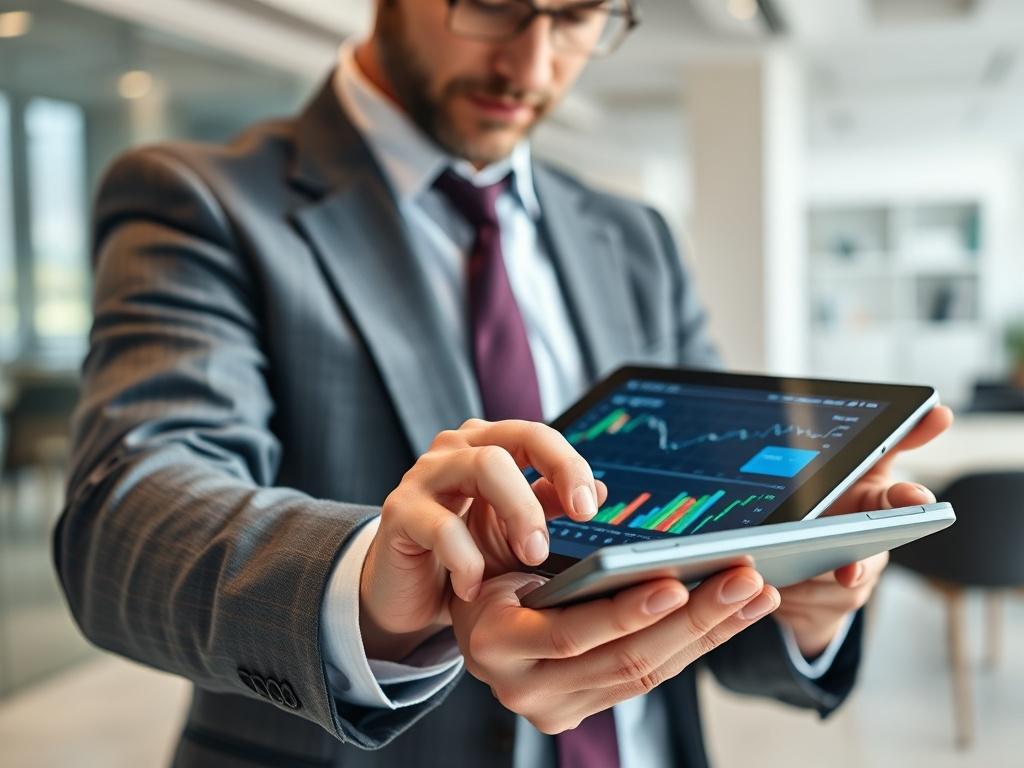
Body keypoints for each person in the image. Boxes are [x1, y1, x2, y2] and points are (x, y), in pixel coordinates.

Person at [55, 1, 953, 766]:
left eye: (575, 16)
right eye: (493, 1)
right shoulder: (198, 200)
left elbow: (710, 556)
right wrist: (372, 587)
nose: (531, 60)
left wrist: (800, 600)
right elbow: (128, 512)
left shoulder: (635, 239)